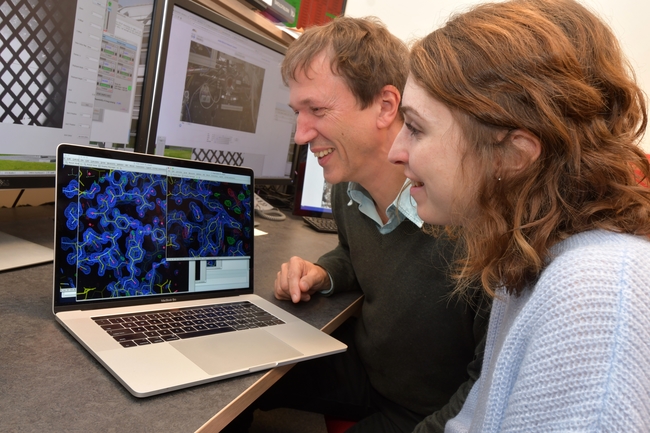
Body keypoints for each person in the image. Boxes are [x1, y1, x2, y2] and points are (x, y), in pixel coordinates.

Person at [387, 0, 650, 431]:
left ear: (512, 154)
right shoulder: (532, 256)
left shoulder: (592, 300)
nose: (396, 151)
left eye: (415, 127)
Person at [224, 16, 489, 433]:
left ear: (386, 106)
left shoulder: (463, 215)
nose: (300, 134)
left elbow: (484, 387)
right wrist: (325, 272)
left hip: (422, 412)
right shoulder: (348, 190)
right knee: (233, 365)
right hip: (368, 371)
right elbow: (354, 251)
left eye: (317, 110)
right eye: (298, 112)